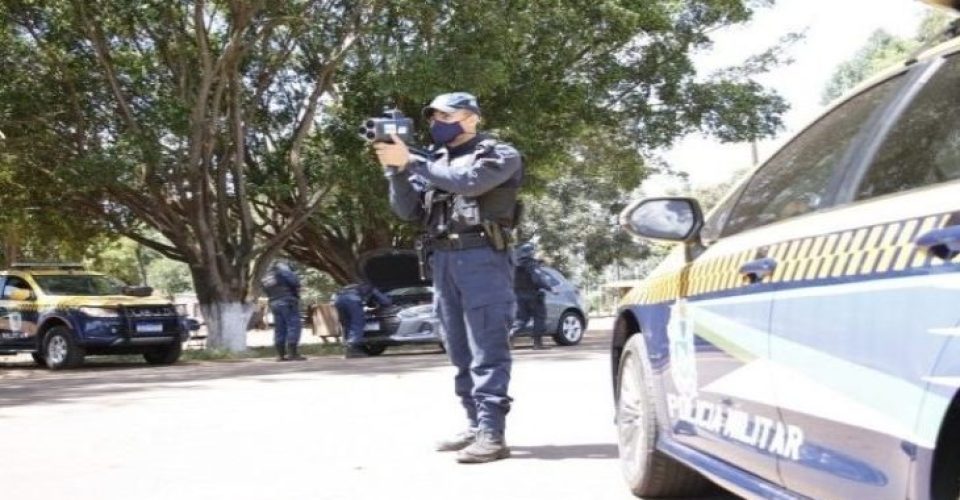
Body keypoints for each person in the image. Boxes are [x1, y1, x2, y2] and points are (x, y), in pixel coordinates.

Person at [374, 91, 522, 464]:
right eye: (433, 118)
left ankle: (492, 433)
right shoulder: (433, 159)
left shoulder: (499, 154)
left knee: (487, 347)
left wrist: (412, 161)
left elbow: (470, 183)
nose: (436, 123)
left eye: (445, 116)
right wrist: (396, 171)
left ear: (472, 118)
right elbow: (407, 211)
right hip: (443, 259)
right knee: (458, 348)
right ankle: (474, 424)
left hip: (483, 257)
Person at [333, 282, 392, 359]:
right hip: (352, 300)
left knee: (347, 324)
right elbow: (385, 302)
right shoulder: (372, 288)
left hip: (338, 300)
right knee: (357, 323)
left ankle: (348, 349)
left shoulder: (354, 287)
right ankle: (353, 349)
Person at [512, 242, 553, 350]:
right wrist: (550, 288)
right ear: (531, 252)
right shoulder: (531, 264)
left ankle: (510, 336)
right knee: (540, 317)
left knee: (522, 319)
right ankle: (537, 344)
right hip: (533, 296)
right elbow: (537, 279)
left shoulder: (514, 265)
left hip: (518, 296)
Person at [261, 261, 305, 362]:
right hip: (287, 301)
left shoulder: (266, 277)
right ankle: (293, 354)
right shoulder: (283, 271)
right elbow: (295, 282)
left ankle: (280, 355)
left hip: (274, 303)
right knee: (293, 326)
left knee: (279, 328)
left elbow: (265, 290)